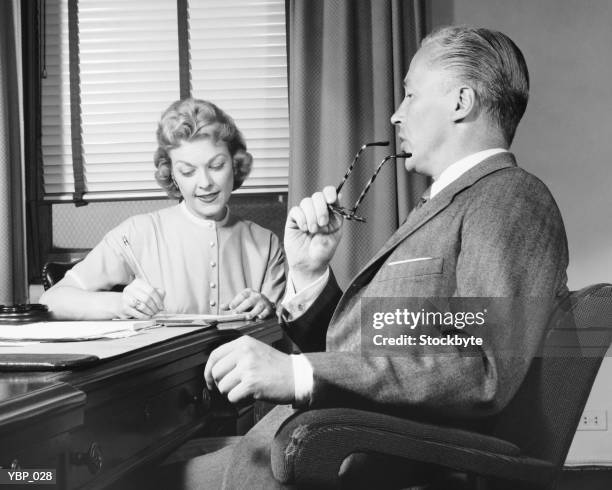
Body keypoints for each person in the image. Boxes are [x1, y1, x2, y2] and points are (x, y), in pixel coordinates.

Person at [176, 26, 569, 488]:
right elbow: (372, 349)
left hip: (354, 458)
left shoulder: (508, 198)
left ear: (461, 102)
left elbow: (479, 368)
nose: (396, 114)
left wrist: (299, 373)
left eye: (409, 95)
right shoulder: (446, 205)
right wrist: (311, 273)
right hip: (317, 448)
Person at [40, 98, 286, 320]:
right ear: (173, 175)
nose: (205, 183)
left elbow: (290, 336)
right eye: (187, 171)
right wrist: (120, 303)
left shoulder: (266, 244)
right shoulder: (138, 232)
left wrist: (268, 310)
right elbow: (52, 300)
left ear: (235, 165)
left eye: (217, 165)